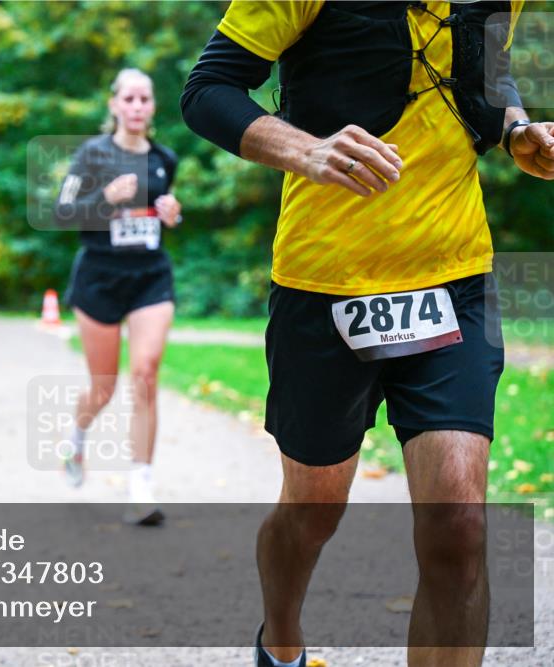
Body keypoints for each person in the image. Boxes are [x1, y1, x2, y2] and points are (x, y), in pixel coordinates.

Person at [181, 1, 550, 665]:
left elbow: (486, 72)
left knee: (459, 526)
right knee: (313, 511)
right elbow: (208, 90)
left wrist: (519, 130)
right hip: (325, 285)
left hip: (453, 280)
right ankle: (282, 640)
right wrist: (308, 149)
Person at [54, 68, 183, 525]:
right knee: (104, 386)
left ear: (153, 107)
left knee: (145, 373)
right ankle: (77, 436)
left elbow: (161, 211)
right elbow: (63, 212)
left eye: (144, 99)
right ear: (113, 104)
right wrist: (106, 198)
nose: (136, 107)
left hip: (149, 277)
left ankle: (140, 486)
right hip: (99, 278)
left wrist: (171, 212)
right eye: (128, 98)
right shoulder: (92, 155)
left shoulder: (164, 159)